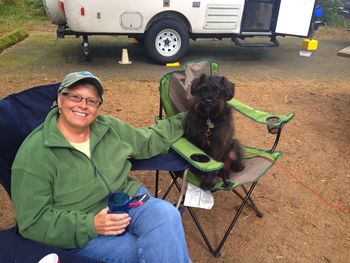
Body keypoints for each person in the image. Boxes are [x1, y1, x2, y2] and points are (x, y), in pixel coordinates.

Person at [11, 71, 191, 263]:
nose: (83, 105)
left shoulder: (108, 127)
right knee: (135, 251)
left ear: (98, 107)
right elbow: (32, 222)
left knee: (167, 215)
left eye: (91, 101)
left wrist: (189, 118)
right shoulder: (35, 153)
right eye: (75, 96)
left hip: (127, 200)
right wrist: (90, 225)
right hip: (82, 226)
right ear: (59, 99)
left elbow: (147, 140)